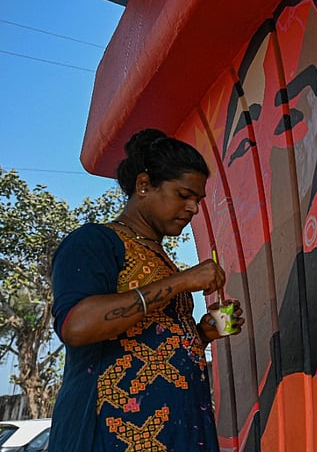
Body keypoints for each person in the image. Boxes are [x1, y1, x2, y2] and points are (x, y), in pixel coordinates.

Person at [48, 128, 244, 451]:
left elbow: (156, 342)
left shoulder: (163, 260)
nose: (193, 208)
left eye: (197, 200)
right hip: (109, 436)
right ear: (144, 185)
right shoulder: (95, 242)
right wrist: (180, 282)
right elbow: (76, 326)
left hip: (181, 433)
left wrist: (205, 332)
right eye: (183, 195)